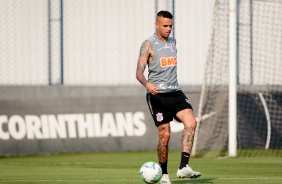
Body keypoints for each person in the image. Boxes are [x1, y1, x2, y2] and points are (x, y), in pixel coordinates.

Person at [135, 10, 201, 183]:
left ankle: (183, 167)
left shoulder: (173, 41)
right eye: (165, 25)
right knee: (165, 136)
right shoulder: (148, 44)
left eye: (170, 25)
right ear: (157, 25)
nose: (168, 29)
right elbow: (139, 73)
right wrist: (147, 84)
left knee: (191, 123)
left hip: (176, 92)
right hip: (158, 95)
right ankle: (164, 175)